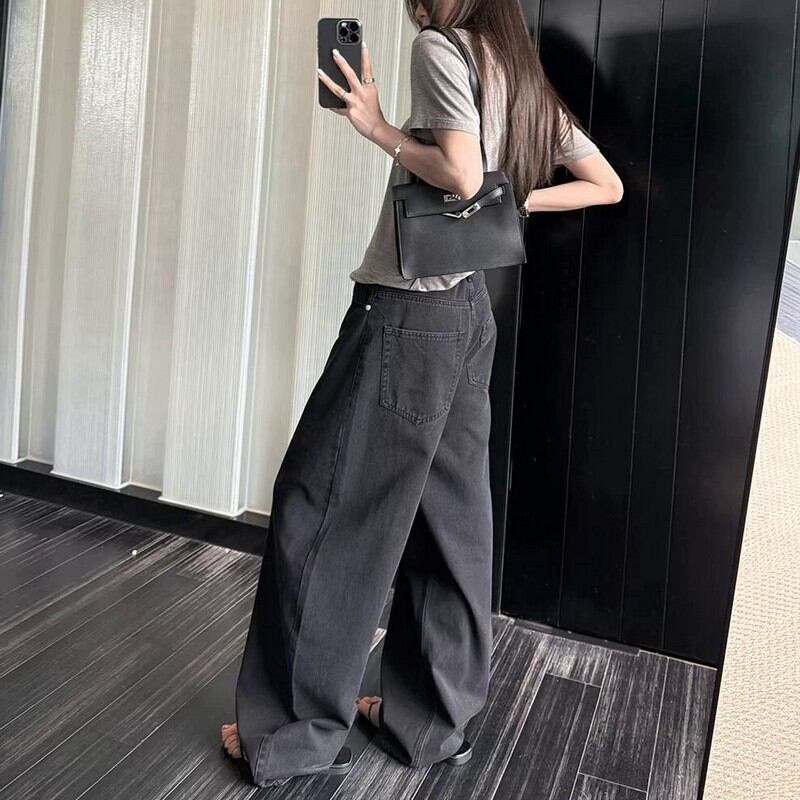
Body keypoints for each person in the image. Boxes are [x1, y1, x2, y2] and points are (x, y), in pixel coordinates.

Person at [221, 0, 623, 787]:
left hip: (407, 315)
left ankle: (297, 735)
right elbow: (602, 183)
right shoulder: (514, 67)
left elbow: (463, 173)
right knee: (452, 521)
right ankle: (434, 721)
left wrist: (376, 127)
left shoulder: (443, 49)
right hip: (469, 313)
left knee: (322, 507)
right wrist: (512, 198)